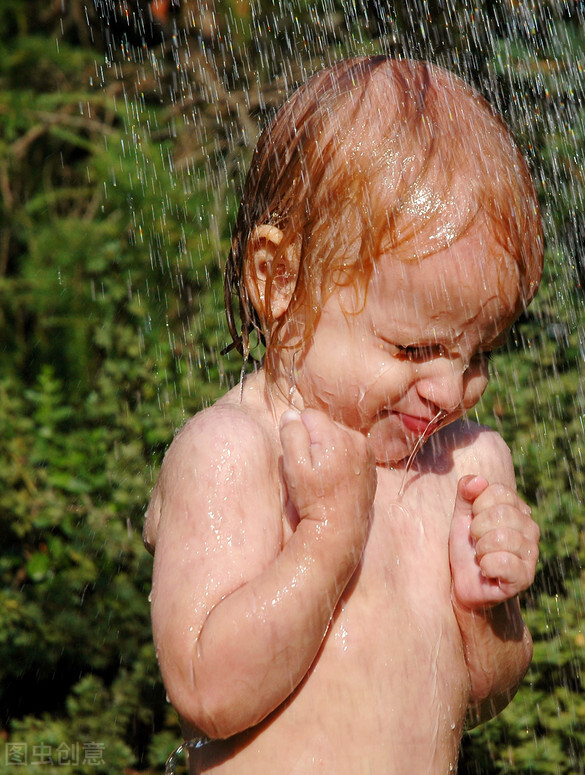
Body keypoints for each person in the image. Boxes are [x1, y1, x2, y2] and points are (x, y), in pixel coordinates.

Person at [143, 56, 544, 774]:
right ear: (279, 281)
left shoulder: (462, 467)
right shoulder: (234, 451)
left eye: (478, 352)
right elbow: (206, 688)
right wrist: (328, 538)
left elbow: (483, 693)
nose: (450, 391)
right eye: (414, 346)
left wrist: (486, 606)